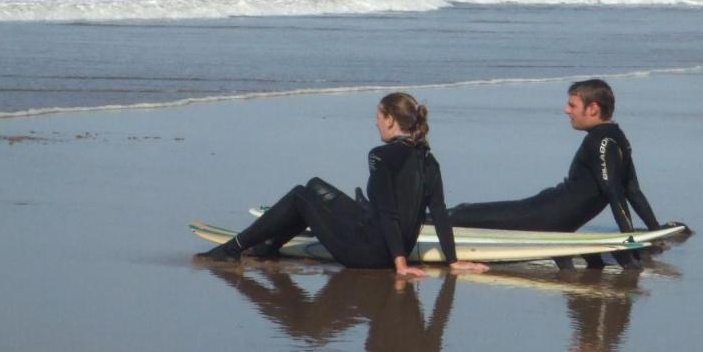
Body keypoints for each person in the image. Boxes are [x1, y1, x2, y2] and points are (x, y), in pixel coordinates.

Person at [195, 93, 488, 276]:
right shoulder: (428, 159)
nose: (374, 123)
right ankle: (271, 246)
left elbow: (388, 212)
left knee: (300, 195)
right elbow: (438, 212)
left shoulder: (382, 156)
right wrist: (452, 261)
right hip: (382, 240)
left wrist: (399, 264)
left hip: (369, 253)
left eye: (377, 117)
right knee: (314, 185)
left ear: (390, 121)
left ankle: (232, 248)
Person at [447, 79, 664, 249]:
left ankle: (422, 223)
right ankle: (425, 219)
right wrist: (655, 232)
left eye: (572, 105)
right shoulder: (618, 137)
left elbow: (615, 192)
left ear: (593, 109)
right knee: (471, 212)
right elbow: (632, 190)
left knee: (463, 214)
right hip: (547, 209)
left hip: (545, 217)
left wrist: (628, 241)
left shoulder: (599, 142)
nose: (566, 110)